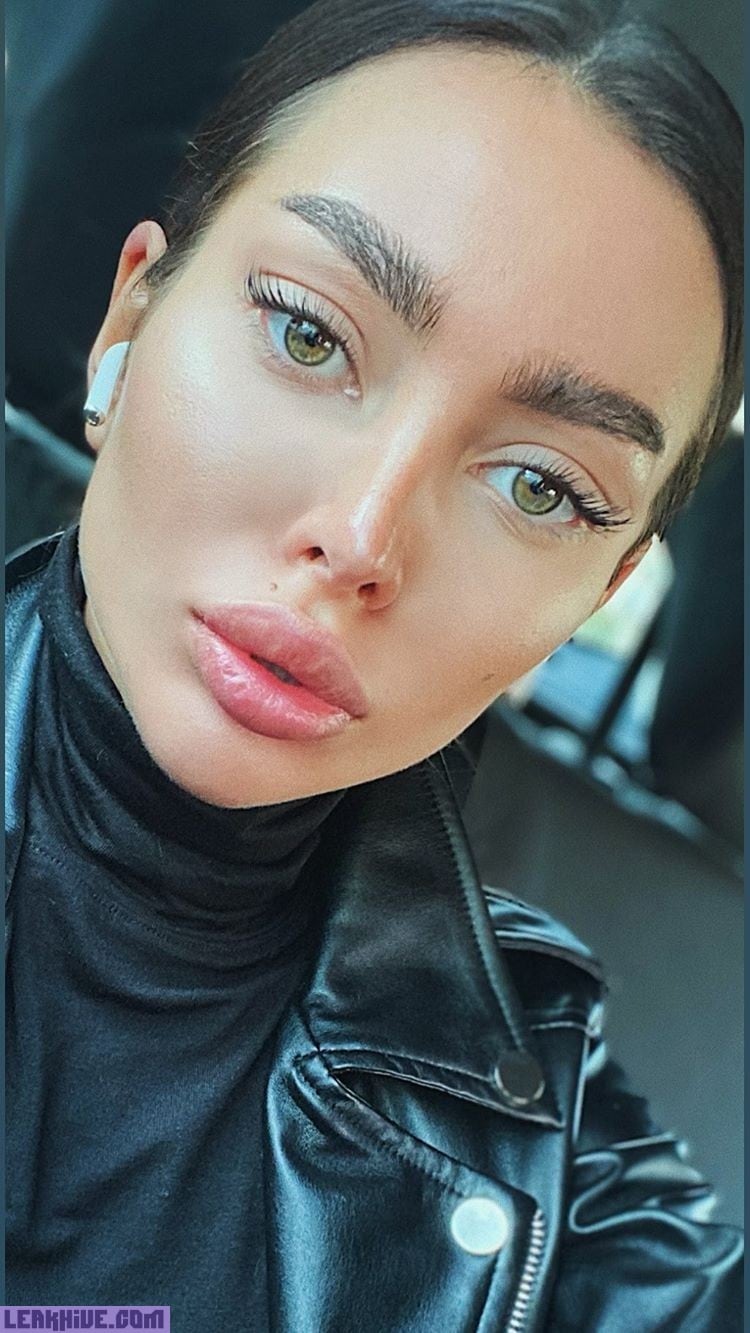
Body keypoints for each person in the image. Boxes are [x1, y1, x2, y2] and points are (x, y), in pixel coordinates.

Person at [5, 0, 743, 1327]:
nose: (360, 537)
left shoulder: (565, 1179)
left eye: (539, 486)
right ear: (128, 321)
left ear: (598, 592)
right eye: (308, 334)